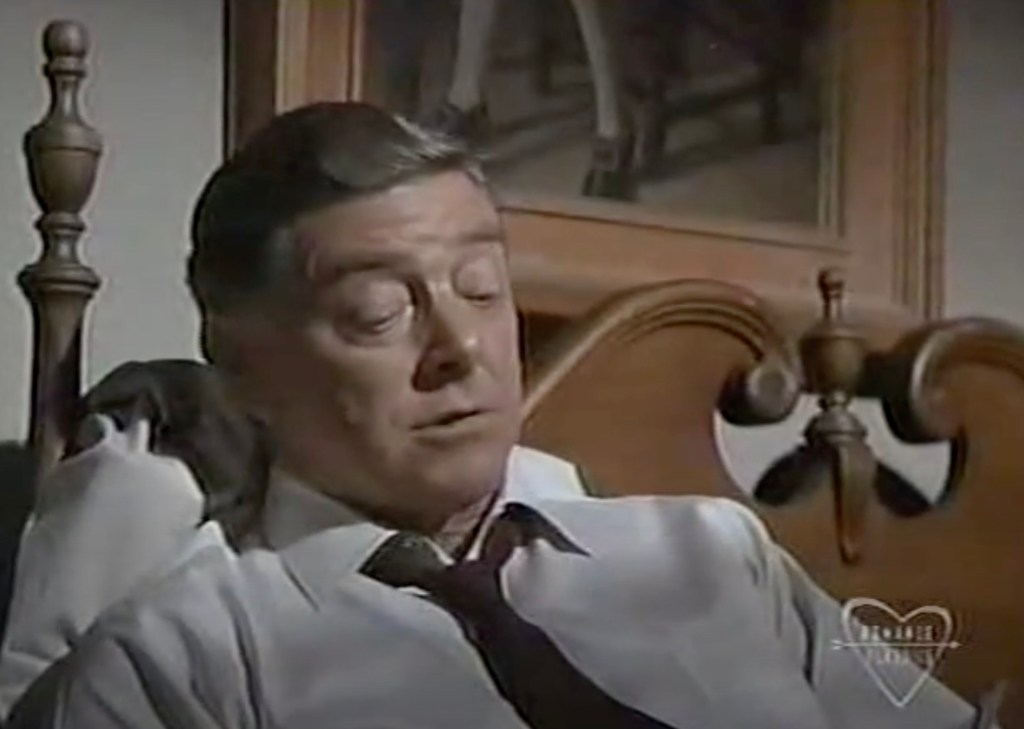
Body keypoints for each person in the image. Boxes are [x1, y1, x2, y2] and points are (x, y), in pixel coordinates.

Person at [1, 101, 985, 728]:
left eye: (481, 288)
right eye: (378, 312)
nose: (461, 348)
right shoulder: (184, 660)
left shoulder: (717, 554)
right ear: (243, 366)